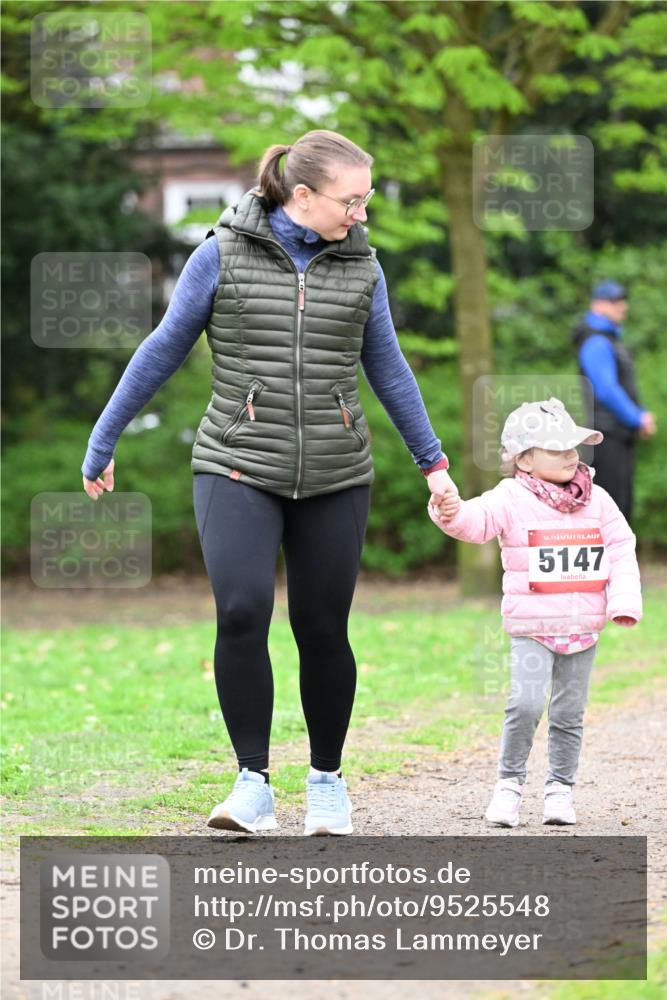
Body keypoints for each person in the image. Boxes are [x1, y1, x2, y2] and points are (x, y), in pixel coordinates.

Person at [82, 129, 456, 836]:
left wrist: (432, 465)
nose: (361, 214)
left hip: (336, 471)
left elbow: (390, 369)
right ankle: (251, 783)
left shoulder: (362, 268)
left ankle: (326, 780)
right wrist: (104, 440)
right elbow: (164, 346)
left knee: (321, 627)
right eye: (352, 200)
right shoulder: (219, 254)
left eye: (366, 200)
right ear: (303, 195)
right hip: (235, 462)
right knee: (243, 611)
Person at [428, 397, 642, 828]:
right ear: (523, 459)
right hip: (532, 626)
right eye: (555, 448)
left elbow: (621, 548)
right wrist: (449, 510)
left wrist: (622, 602)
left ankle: (560, 790)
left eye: (572, 447)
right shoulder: (510, 497)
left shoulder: (597, 499)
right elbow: (477, 522)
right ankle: (509, 786)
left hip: (583, 628)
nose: (569, 455)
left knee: (569, 713)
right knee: (525, 704)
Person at [573, 280, 656, 520]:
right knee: (612, 508)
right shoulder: (596, 341)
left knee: (620, 505)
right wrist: (637, 417)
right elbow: (606, 389)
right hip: (606, 435)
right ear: (597, 305)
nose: (623, 307)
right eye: (614, 302)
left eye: (622, 301)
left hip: (616, 433)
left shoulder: (608, 339)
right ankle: (608, 558)